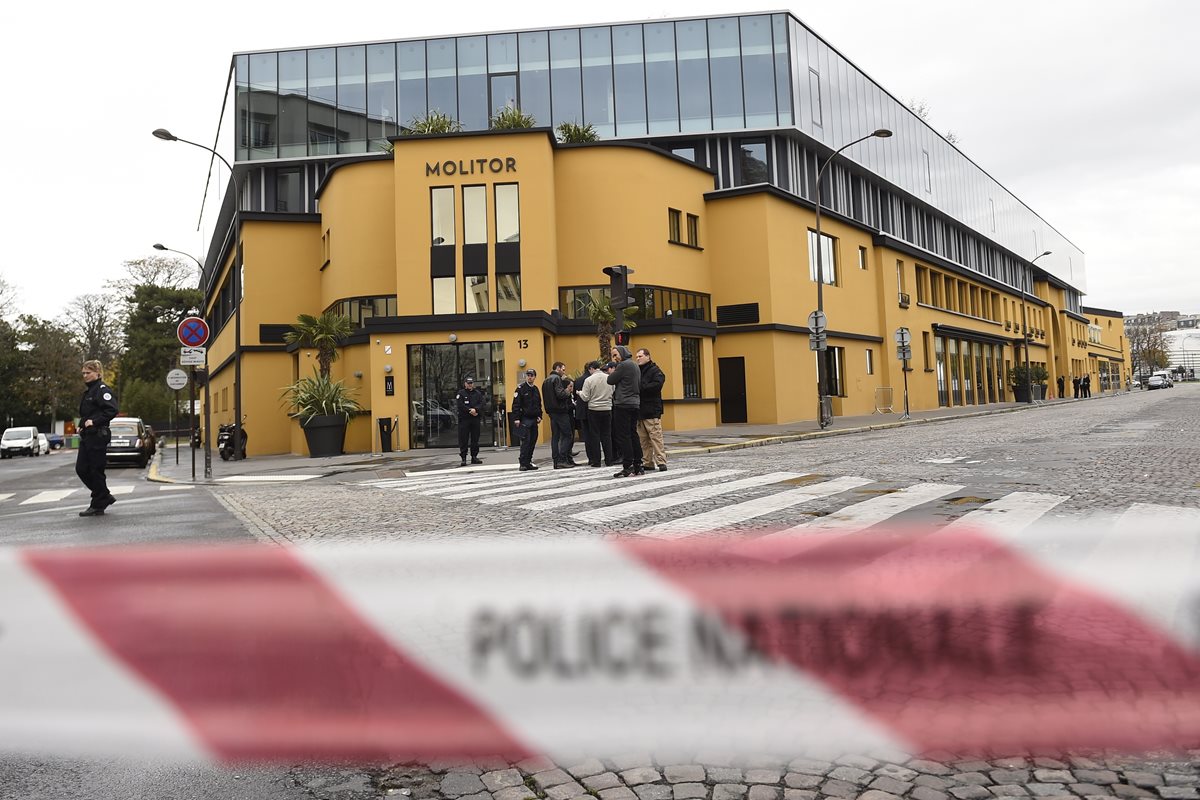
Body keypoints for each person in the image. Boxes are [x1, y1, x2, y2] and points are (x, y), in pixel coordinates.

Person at [76, 360, 118, 517]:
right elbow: (87, 413)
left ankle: (98, 503)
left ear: (98, 373)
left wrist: (94, 422)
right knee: (81, 469)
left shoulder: (101, 390)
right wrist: (82, 424)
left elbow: (112, 410)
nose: (85, 376)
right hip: (88, 436)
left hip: (98, 435)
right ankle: (104, 495)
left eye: (88, 373)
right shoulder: (89, 392)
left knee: (95, 470)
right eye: (83, 373)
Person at [607, 344, 643, 477]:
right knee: (633, 434)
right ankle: (638, 464)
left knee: (623, 435)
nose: (614, 358)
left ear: (622, 353)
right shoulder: (634, 365)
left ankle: (628, 465)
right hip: (635, 403)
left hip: (623, 404)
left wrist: (612, 372)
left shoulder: (623, 365)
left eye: (615, 355)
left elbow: (610, 380)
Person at [635, 347, 668, 471]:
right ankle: (647, 462)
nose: (638, 358)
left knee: (655, 437)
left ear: (648, 356)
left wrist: (641, 387)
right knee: (643, 440)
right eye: (637, 356)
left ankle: (661, 462)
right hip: (640, 409)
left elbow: (657, 385)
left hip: (652, 409)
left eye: (640, 356)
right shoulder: (638, 370)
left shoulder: (655, 370)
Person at [579, 361, 615, 467]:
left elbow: (585, 397)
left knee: (594, 435)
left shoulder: (589, 380)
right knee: (607, 435)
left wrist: (579, 392)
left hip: (594, 409)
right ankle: (609, 460)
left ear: (591, 369)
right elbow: (613, 391)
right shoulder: (608, 378)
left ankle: (597, 461)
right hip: (607, 408)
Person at [542, 361, 576, 469]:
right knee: (568, 435)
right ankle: (562, 459)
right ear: (558, 368)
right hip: (560, 411)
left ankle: (556, 461)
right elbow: (560, 394)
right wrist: (568, 390)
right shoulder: (556, 379)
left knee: (555, 437)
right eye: (563, 369)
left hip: (551, 412)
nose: (564, 372)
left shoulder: (546, 380)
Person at [511, 368, 543, 471]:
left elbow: (538, 404)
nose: (530, 377)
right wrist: (516, 418)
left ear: (534, 377)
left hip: (534, 419)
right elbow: (516, 404)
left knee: (533, 441)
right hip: (524, 419)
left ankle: (528, 461)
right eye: (528, 375)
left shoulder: (536, 389)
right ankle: (523, 463)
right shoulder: (520, 388)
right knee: (526, 441)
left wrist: (539, 415)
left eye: (532, 375)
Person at [455, 375, 486, 467]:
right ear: (465, 384)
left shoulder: (477, 393)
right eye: (468, 383)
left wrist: (475, 410)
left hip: (475, 419)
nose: (470, 385)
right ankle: (463, 458)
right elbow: (460, 405)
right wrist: (470, 411)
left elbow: (482, 403)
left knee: (475, 439)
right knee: (463, 439)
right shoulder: (461, 393)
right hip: (464, 419)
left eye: (471, 383)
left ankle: (474, 457)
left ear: (473, 384)